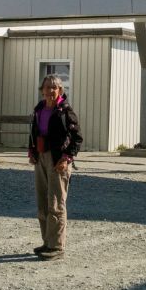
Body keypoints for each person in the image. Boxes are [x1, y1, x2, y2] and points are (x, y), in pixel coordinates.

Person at [28, 74, 82, 260]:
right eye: (47, 87)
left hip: (58, 160)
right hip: (41, 157)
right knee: (42, 202)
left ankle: (57, 247)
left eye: (54, 87)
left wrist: (67, 158)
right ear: (42, 89)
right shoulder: (39, 109)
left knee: (56, 204)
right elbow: (34, 132)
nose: (50, 90)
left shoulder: (65, 111)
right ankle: (47, 242)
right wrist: (32, 151)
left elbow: (76, 138)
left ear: (60, 90)